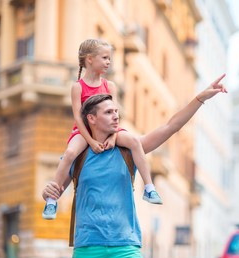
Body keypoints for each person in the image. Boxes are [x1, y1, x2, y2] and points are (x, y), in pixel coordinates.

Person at [42, 74, 227, 258]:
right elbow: (54, 192)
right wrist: (48, 192)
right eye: (108, 112)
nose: (116, 116)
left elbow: (171, 126)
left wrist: (200, 98)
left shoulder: (129, 150)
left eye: (116, 111)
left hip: (126, 248)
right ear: (91, 118)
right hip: (87, 249)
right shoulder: (77, 156)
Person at [42, 39, 162, 220]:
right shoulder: (78, 87)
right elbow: (77, 117)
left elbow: (115, 113)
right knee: (69, 154)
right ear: (89, 59)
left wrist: (113, 138)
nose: (109, 62)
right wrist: (91, 141)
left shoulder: (109, 86)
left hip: (110, 130)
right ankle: (52, 200)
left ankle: (149, 187)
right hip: (83, 131)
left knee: (134, 141)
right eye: (105, 58)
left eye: (109, 58)